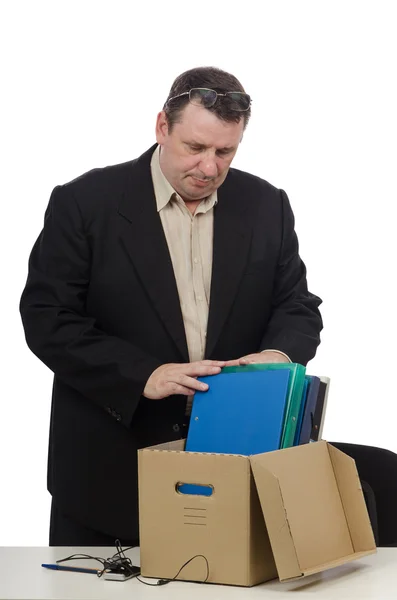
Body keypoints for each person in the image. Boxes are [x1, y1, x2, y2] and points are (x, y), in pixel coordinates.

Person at [20, 66, 323, 547]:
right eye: (196, 148)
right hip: (108, 472)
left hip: (232, 465)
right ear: (162, 127)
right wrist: (144, 373)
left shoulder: (267, 204)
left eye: (225, 151)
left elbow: (297, 304)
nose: (210, 168)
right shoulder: (84, 202)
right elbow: (46, 318)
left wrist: (276, 359)